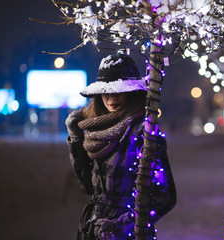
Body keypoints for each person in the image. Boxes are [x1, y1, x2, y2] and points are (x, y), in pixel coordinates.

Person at [65, 53, 176, 240]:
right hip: (91, 230)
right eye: (106, 91)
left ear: (132, 92)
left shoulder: (143, 133)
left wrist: (121, 227)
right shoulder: (96, 130)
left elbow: (165, 197)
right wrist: (76, 139)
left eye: (119, 90)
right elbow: (88, 187)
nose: (111, 97)